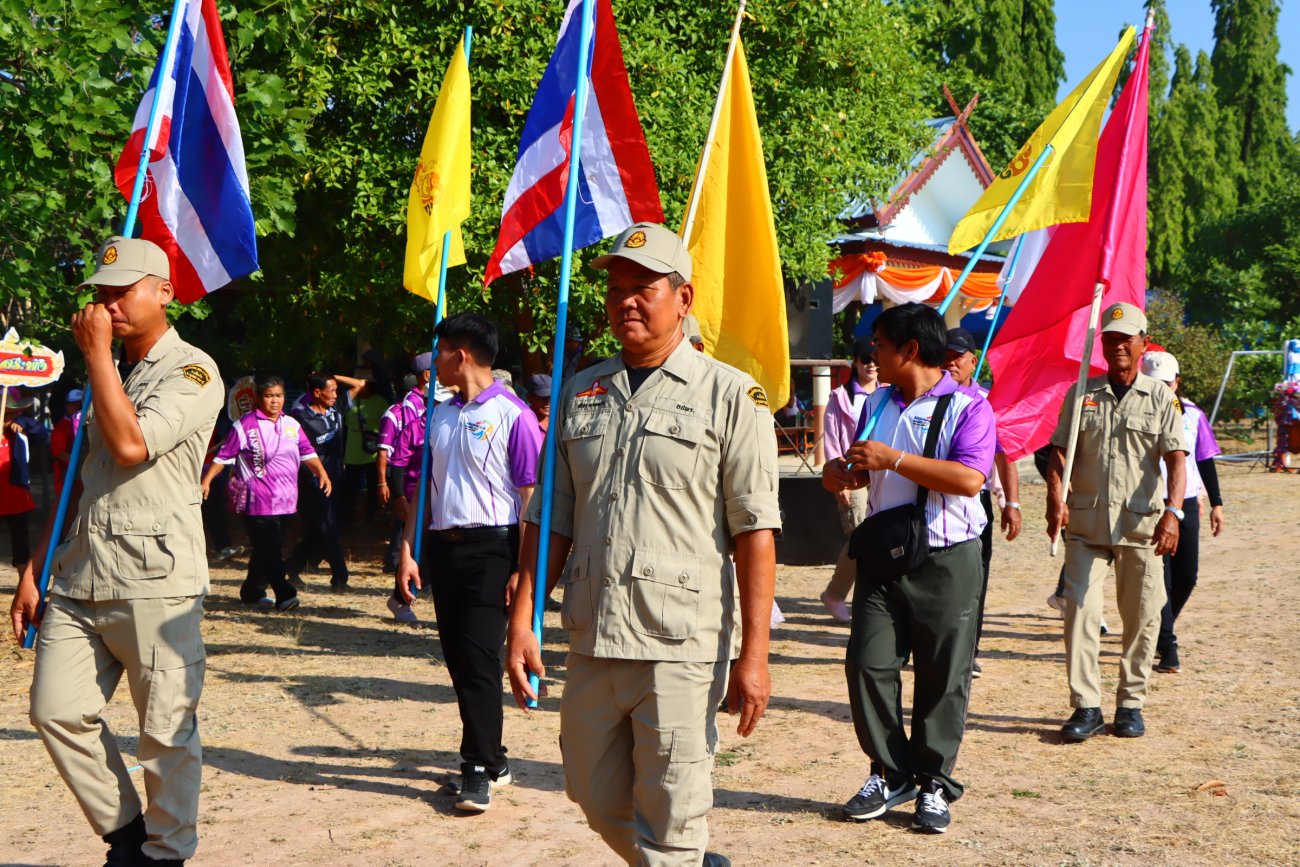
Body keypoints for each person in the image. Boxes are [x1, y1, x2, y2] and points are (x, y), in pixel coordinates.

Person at [505, 222, 781, 867]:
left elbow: (755, 531)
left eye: (643, 288)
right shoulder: (581, 392)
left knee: (672, 820)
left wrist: (755, 654)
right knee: (591, 791)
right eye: (616, 289)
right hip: (594, 634)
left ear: (683, 299)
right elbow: (551, 518)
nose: (625, 300)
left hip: (680, 643)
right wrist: (522, 618)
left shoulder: (730, 395)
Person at [10, 236, 223, 865]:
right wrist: (35, 567)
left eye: (123, 292)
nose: (108, 307)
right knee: (55, 710)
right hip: (80, 574)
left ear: (165, 292)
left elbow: (131, 446)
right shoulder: (109, 370)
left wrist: (98, 355)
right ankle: (127, 833)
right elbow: (82, 479)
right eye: (101, 295)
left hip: (155, 579)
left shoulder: (192, 370)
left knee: (165, 731)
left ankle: (166, 851)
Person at [822, 302, 995, 834]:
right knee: (867, 664)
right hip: (883, 556)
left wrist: (892, 460)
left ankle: (934, 782)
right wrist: (839, 473)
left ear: (910, 349)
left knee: (943, 676)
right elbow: (859, 469)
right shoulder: (876, 401)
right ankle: (890, 772)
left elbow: (970, 479)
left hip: (948, 558)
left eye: (879, 344)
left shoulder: (969, 405)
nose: (872, 353)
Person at [395, 313, 543, 813]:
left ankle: (476, 768)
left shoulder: (514, 415)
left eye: (438, 353)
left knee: (480, 661)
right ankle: (495, 758)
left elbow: (530, 500)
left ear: (459, 355)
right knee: (460, 660)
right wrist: (409, 550)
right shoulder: (438, 414)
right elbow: (425, 489)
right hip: (444, 547)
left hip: (493, 550)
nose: (432, 363)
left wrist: (523, 569)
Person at [1046, 302, 1186, 743]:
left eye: (1126, 338)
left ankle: (1130, 704)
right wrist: (1055, 497)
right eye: (1110, 338)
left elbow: (1176, 460)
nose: (1118, 345)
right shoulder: (1082, 393)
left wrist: (1174, 513)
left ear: (1144, 344)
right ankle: (1086, 706)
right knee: (1079, 613)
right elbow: (1060, 451)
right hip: (1086, 524)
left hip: (1141, 527)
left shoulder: (1160, 397)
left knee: (1142, 617)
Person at [202, 374, 330, 611]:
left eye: (279, 396)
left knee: (266, 548)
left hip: (287, 499)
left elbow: (307, 452)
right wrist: (207, 480)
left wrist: (321, 473)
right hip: (257, 499)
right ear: (258, 398)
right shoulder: (245, 425)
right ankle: (285, 594)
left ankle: (252, 591)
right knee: (271, 549)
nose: (275, 401)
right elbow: (224, 456)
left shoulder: (291, 424)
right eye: (269, 396)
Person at [1139, 350, 1226, 675]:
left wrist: (1216, 503)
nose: (1160, 389)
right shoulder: (1135, 411)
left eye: (1166, 383)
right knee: (1159, 577)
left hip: (1184, 502)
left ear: (1177, 382)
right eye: (1153, 383)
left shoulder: (1192, 414)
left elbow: (1204, 460)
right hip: (1149, 504)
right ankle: (1168, 645)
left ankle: (1160, 627)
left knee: (1187, 576)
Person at [943, 326, 1022, 676]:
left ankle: (968, 649)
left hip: (975, 500)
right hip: (932, 496)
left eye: (957, 356)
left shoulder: (987, 401)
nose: (950, 362)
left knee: (975, 577)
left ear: (973, 361)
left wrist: (1012, 503)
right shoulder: (929, 395)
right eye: (945, 355)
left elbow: (1005, 455)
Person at [819, 337, 882, 623]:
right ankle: (837, 593)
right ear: (855, 362)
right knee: (860, 536)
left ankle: (845, 594)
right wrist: (839, 482)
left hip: (882, 472)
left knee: (874, 536)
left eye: (875, 359)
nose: (871, 364)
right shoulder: (840, 397)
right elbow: (832, 440)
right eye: (865, 359)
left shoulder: (888, 393)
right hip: (852, 474)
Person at [286, 370, 363, 591]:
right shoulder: (301, 417)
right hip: (315, 482)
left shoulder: (335, 408)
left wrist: (332, 377)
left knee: (316, 530)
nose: (336, 395)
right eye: (331, 391)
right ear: (317, 393)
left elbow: (359, 384)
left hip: (337, 477)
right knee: (329, 527)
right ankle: (340, 578)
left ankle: (289, 568)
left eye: (337, 390)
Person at [377, 357, 433, 621]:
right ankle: (400, 598)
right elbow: (395, 460)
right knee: (413, 545)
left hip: (440, 495)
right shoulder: (406, 418)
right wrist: (397, 493)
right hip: (414, 494)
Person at [2, 387, 42, 580]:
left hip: (16, 497)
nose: (9, 418)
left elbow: (41, 433)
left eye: (12, 414)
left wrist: (23, 422)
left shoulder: (18, 433)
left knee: (21, 544)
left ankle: (22, 583)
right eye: (6, 414)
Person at [340, 375, 389, 525]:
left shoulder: (380, 402)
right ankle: (348, 520)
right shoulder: (351, 401)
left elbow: (387, 427)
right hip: (352, 454)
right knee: (350, 489)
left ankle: (371, 518)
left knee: (373, 488)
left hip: (372, 454)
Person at [49, 388, 84, 492]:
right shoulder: (61, 428)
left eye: (79, 404)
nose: (77, 407)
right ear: (67, 406)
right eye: (73, 404)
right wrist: (80, 463)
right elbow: (59, 452)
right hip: (68, 475)